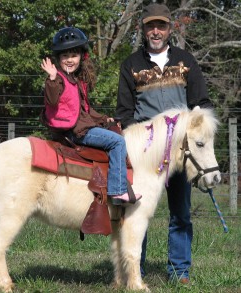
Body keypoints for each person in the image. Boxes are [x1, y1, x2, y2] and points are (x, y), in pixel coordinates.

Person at [116, 3, 213, 283]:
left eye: (161, 26)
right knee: (137, 212)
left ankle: (179, 271)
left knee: (181, 212)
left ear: (170, 28)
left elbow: (201, 103)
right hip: (146, 152)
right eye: (150, 26)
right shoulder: (131, 65)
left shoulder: (186, 61)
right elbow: (124, 112)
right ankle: (136, 271)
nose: (155, 31)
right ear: (143, 29)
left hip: (181, 150)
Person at [40, 27, 142, 205]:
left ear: (82, 56)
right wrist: (52, 78)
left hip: (80, 126)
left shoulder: (77, 82)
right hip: (75, 131)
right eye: (64, 56)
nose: (69, 60)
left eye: (73, 55)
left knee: (113, 132)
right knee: (117, 142)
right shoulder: (58, 80)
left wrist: (104, 119)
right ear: (58, 59)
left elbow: (85, 111)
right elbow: (52, 99)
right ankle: (117, 191)